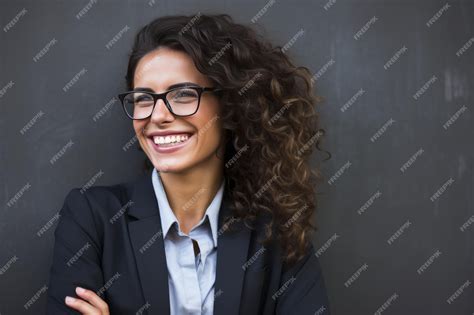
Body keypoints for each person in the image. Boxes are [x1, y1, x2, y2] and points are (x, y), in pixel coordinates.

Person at [46, 13, 331, 315]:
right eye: (144, 98)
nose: (157, 116)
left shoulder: (276, 234)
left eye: (182, 94)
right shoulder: (91, 219)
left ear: (229, 105)